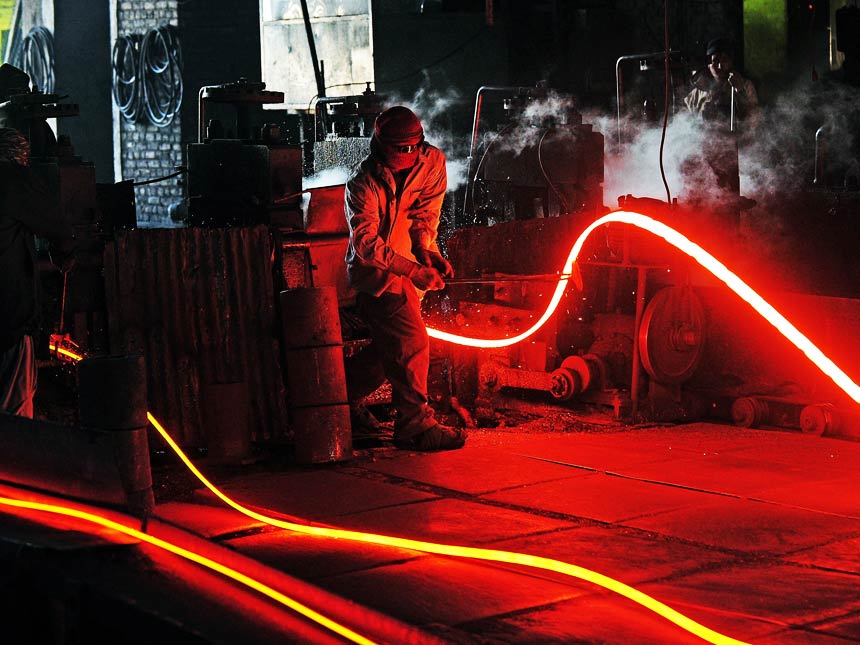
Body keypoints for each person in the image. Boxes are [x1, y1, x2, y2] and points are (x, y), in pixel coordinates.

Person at [344, 106, 466, 451]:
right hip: (376, 276)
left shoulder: (432, 163)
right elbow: (367, 245)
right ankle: (415, 427)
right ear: (381, 146)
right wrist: (414, 269)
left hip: (410, 270)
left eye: (414, 146)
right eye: (401, 149)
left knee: (391, 352)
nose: (409, 155)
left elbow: (426, 213)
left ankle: (336, 398)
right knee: (412, 344)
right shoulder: (362, 183)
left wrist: (426, 250)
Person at [0, 127, 74, 418]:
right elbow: (59, 229)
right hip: (8, 321)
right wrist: (64, 254)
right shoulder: (11, 179)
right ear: (18, 159)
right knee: (14, 417)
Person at [685, 37, 760, 132]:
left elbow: (754, 122)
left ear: (731, 62)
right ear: (708, 64)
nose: (720, 66)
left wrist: (740, 91)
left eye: (725, 60)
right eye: (715, 61)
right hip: (707, 144)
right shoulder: (698, 92)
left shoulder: (746, 86)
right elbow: (686, 126)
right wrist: (702, 117)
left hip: (738, 143)